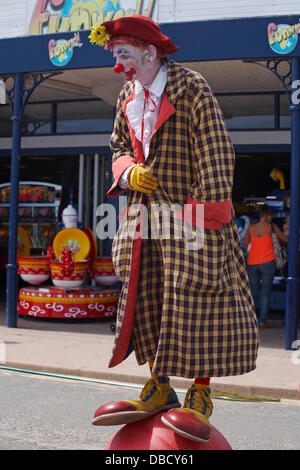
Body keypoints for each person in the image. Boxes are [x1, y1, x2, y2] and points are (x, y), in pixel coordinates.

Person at [89, 15, 259, 443]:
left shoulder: (191, 87)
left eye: (123, 53)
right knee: (149, 296)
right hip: (147, 216)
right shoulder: (128, 94)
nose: (118, 62)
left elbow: (216, 149)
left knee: (199, 300)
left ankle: (199, 393)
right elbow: (118, 146)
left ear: (150, 52)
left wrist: (203, 217)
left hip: (192, 215)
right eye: (115, 55)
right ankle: (158, 385)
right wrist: (129, 173)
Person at [243, 205, 288, 329]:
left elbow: (245, 246)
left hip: (252, 263)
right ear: (266, 215)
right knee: (265, 293)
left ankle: (249, 321)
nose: (272, 217)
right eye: (270, 215)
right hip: (267, 263)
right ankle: (263, 322)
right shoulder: (271, 227)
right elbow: (285, 239)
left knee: (252, 292)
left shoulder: (251, 228)